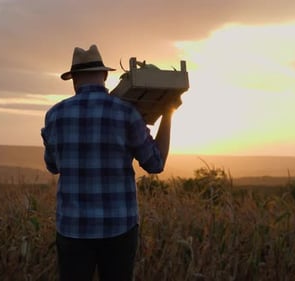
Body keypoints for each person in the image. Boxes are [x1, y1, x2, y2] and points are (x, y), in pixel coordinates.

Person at [41, 44, 177, 281]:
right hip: (119, 228)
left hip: (73, 229)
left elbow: (52, 166)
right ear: (105, 75)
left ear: (73, 79)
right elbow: (155, 164)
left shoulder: (55, 115)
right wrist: (168, 113)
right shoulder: (127, 113)